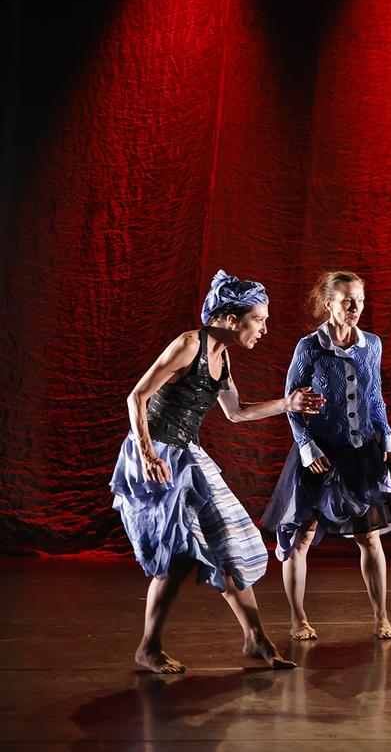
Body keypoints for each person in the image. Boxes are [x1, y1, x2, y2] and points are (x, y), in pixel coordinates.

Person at [110, 270, 324, 674]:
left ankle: (256, 637)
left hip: (187, 455)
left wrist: (288, 404)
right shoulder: (189, 345)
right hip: (157, 454)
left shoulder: (221, 356)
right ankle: (149, 647)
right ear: (230, 319)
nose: (264, 329)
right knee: (178, 554)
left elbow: (236, 412)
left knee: (227, 543)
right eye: (258, 320)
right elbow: (136, 397)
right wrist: (147, 454)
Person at [262, 271, 391, 640]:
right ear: (329, 304)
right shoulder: (309, 347)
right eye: (347, 300)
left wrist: (388, 439)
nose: (356, 307)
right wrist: (306, 446)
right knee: (300, 539)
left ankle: (382, 618)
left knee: (370, 537)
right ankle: (298, 620)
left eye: (360, 300)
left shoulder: (371, 344)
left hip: (361, 451)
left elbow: (375, 398)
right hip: (319, 452)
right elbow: (292, 404)